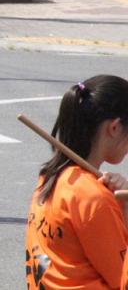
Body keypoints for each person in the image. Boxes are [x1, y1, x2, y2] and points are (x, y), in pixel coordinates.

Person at [25, 75, 128, 290]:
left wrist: (122, 208)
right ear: (115, 127)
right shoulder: (93, 197)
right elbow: (124, 281)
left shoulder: (50, 177)